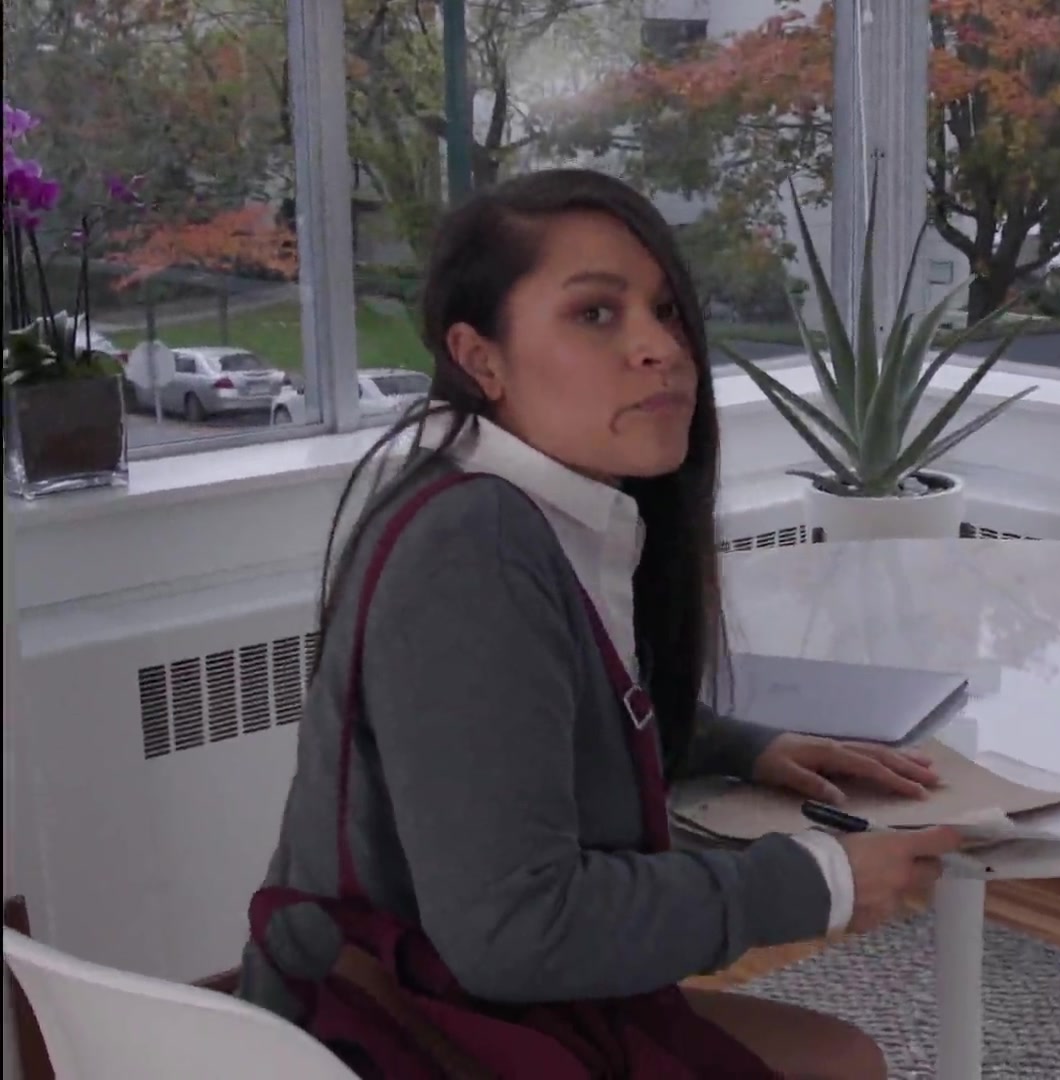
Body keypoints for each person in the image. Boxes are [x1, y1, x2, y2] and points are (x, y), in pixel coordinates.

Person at [238, 168, 965, 1079]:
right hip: (385, 1039)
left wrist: (743, 747)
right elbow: (514, 930)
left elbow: (549, 719)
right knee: (843, 1065)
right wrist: (819, 880)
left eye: (666, 312)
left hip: (453, 1004)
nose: (660, 348)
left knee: (840, 1058)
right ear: (481, 358)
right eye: (595, 314)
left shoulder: (526, 511)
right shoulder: (475, 544)